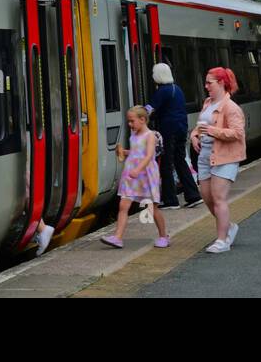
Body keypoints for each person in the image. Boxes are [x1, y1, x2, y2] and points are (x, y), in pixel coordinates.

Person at [190, 67, 246, 254]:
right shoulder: (208, 103)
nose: (206, 86)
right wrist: (194, 136)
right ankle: (229, 227)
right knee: (207, 198)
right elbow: (201, 126)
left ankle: (222, 240)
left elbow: (237, 133)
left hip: (225, 157)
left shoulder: (231, 108)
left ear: (221, 83)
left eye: (209, 83)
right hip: (206, 156)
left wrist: (213, 132)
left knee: (219, 198)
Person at [101, 106, 170, 248]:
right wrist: (124, 152)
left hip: (145, 174)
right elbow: (136, 152)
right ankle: (117, 237)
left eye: (132, 121)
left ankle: (164, 236)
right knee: (123, 204)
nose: (129, 124)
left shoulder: (150, 135)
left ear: (142, 119)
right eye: (128, 121)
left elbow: (149, 155)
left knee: (153, 207)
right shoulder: (134, 134)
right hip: (132, 174)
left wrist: (138, 169)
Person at [147, 63, 202, 209]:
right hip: (181, 129)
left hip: (168, 130)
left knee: (166, 164)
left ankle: (170, 200)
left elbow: (149, 110)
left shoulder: (162, 91)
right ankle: (193, 195)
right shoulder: (177, 89)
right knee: (180, 160)